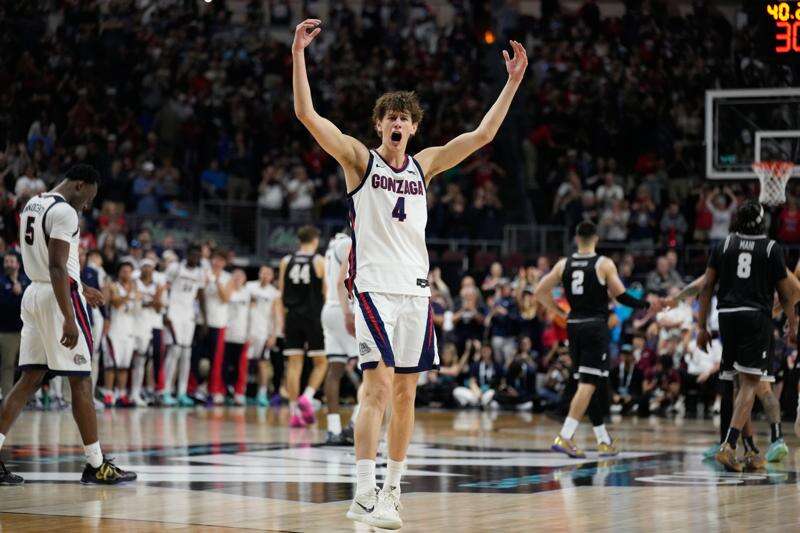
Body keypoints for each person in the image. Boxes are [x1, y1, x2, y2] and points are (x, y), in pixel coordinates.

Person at [292, 17, 527, 530]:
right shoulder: (360, 162)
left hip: (416, 294)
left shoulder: (425, 165)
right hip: (374, 290)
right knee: (376, 389)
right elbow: (307, 115)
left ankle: (392, 491)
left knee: (405, 395)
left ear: (414, 128)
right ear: (380, 125)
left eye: (404, 118)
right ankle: (364, 490)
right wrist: (298, 54)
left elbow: (484, 134)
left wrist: (511, 83)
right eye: (390, 118)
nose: (397, 124)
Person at [0, 164, 135, 484]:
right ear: (79, 185)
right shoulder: (65, 212)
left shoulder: (33, 203)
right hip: (57, 299)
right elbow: (57, 267)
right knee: (81, 381)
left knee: (28, 380)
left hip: (34, 293)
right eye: (89, 197)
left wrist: (80, 286)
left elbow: (48, 263)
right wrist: (70, 317)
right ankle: (96, 465)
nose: (87, 205)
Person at [535, 221, 660, 458]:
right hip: (594, 326)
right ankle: (565, 436)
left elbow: (539, 291)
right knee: (589, 383)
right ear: (596, 238)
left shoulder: (563, 264)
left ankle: (603, 440)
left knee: (589, 382)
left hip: (574, 326)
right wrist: (646, 305)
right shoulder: (603, 263)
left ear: (576, 239)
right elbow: (621, 296)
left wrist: (560, 312)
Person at [697, 200, 797, 472]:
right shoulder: (771, 248)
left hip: (727, 316)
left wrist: (701, 326)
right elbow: (786, 294)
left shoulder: (724, 245)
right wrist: (793, 324)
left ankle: (751, 448)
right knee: (752, 383)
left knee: (737, 383)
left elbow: (706, 287)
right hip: (755, 317)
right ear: (763, 221)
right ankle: (729, 445)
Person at [277, 225, 327, 428]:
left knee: (293, 365)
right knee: (321, 363)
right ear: (315, 240)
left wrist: (282, 320)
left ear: (299, 240)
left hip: (292, 317)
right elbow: (326, 293)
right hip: (314, 317)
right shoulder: (319, 261)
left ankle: (293, 411)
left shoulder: (286, 261)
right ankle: (307, 397)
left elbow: (281, 293)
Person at [321, 231, 361, 444]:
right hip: (343, 308)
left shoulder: (330, 247)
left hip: (329, 308)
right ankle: (355, 424)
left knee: (334, 370)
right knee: (372, 372)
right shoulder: (347, 243)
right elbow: (343, 279)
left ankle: (333, 429)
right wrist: (348, 312)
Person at [161, 244, 206, 407]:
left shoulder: (200, 273)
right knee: (174, 351)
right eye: (193, 254)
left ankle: (181, 392)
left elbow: (200, 296)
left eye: (198, 255)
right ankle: (166, 391)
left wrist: (204, 318)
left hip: (189, 316)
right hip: (174, 314)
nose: (195, 257)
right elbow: (164, 288)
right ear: (187, 254)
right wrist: (165, 312)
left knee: (186, 354)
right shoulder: (175, 268)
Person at [103, 261, 139, 407]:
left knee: (125, 365)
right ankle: (108, 394)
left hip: (129, 330)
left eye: (129, 271)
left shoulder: (135, 288)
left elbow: (137, 308)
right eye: (124, 271)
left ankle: (122, 394)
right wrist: (130, 294)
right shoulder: (113, 286)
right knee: (111, 365)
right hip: (115, 330)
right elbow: (116, 303)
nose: (127, 274)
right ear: (119, 272)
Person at [131, 258, 166, 407]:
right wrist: (151, 301)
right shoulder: (135, 283)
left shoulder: (157, 285)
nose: (147, 269)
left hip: (154, 324)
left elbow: (159, 307)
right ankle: (134, 392)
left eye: (150, 267)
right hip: (137, 324)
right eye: (144, 266)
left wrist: (152, 300)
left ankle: (149, 389)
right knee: (138, 358)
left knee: (154, 357)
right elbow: (137, 303)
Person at [246, 266, 281, 407]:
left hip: (263, 333)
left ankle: (262, 393)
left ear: (272, 277)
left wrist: (273, 335)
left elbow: (276, 316)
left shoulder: (274, 293)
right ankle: (240, 392)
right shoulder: (249, 287)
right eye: (263, 272)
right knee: (244, 363)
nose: (265, 275)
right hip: (247, 331)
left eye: (268, 273)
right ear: (259, 273)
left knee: (262, 363)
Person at [204, 250, 235, 405]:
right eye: (215, 259)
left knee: (216, 360)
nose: (217, 263)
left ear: (225, 263)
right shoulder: (204, 273)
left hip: (219, 322)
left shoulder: (228, 277)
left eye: (221, 260)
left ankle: (215, 389)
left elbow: (225, 298)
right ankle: (195, 388)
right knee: (198, 357)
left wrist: (217, 281)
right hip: (202, 321)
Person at [80, 249, 108, 410]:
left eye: (83, 254)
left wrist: (106, 317)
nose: (81, 256)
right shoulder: (67, 269)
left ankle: (90, 395)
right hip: (72, 317)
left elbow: (99, 296)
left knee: (94, 356)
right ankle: (61, 396)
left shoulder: (93, 272)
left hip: (91, 317)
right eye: (78, 253)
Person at [0, 252, 28, 402]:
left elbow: (29, 303)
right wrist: (15, 294)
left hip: (26, 331)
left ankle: (27, 398)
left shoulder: (25, 281)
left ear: (18, 264)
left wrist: (20, 293)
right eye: (6, 261)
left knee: (28, 366)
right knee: (8, 366)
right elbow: (4, 306)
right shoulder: (1, 281)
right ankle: (7, 398)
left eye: (11, 261)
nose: (8, 264)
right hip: (7, 332)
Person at [223, 269, 250, 405]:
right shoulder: (227, 291)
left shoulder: (248, 292)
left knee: (240, 366)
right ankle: (223, 390)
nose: (238, 278)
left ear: (244, 279)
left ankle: (239, 392)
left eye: (240, 276)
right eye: (235, 276)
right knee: (225, 364)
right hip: (227, 334)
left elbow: (250, 313)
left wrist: (249, 333)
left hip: (242, 334)